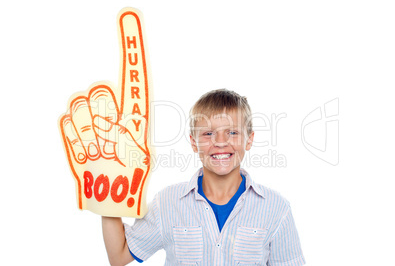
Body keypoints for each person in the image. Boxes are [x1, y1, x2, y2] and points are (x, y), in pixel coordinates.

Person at [102, 89, 306, 265]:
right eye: (208, 134)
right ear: (193, 142)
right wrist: (106, 193)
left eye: (232, 132)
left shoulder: (276, 208)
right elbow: (118, 257)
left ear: (249, 140)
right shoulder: (167, 203)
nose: (220, 142)